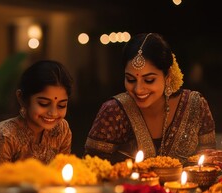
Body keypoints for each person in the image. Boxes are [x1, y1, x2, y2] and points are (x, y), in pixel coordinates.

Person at [85, 33, 216, 165]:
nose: (138, 89)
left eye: (149, 80)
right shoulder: (113, 112)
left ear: (168, 76)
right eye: (131, 79)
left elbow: (209, 166)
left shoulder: (195, 106)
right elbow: (93, 168)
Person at [0, 60, 73, 170]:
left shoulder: (62, 130)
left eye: (61, 105)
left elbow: (62, 173)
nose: (53, 113)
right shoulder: (5, 135)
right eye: (44, 104)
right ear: (22, 98)